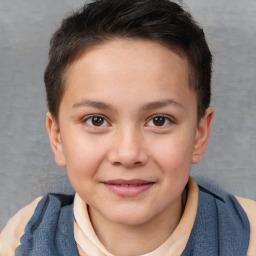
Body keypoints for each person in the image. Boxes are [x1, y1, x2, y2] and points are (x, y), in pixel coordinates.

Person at [0, 0, 255, 255]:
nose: (128, 154)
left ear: (199, 135)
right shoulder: (22, 238)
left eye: (159, 120)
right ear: (57, 138)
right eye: (96, 120)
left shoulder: (249, 235)